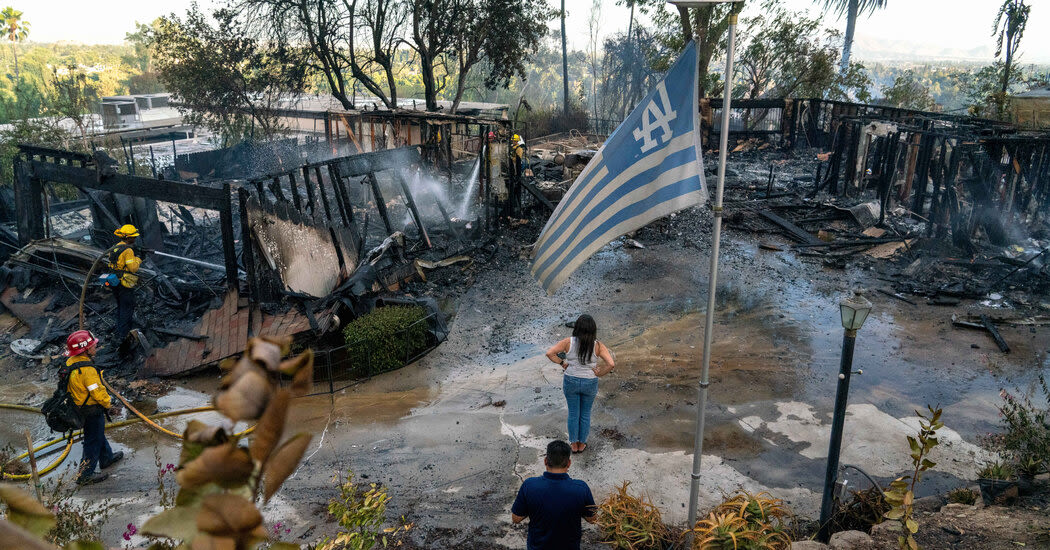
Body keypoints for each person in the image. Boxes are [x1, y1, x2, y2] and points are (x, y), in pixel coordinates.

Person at [546, 314, 615, 453]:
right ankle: (582, 443)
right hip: (590, 382)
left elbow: (550, 353)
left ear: (576, 327)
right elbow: (611, 364)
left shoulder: (568, 342)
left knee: (573, 413)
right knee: (585, 414)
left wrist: (562, 363)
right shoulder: (598, 345)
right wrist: (599, 373)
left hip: (571, 380)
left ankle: (573, 444)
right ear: (593, 330)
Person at [511, 440, 596, 550]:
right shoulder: (581, 488)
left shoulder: (529, 485)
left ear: (545, 461)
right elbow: (592, 519)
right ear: (569, 463)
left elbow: (516, 518)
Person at [64, 330, 123, 485]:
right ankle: (85, 475)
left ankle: (106, 458)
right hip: (91, 410)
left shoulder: (71, 362)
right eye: (93, 346)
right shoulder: (88, 370)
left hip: (78, 407)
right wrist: (109, 405)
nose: (95, 348)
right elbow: (97, 392)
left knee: (96, 434)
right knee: (92, 441)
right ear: (85, 349)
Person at [108, 224, 142, 351]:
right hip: (124, 282)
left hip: (114, 281)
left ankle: (119, 330)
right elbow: (133, 268)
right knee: (127, 307)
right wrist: (138, 258)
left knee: (121, 306)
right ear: (128, 238)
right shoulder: (128, 250)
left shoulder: (115, 247)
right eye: (133, 237)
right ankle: (124, 335)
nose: (135, 239)